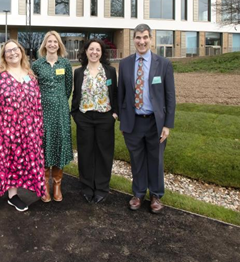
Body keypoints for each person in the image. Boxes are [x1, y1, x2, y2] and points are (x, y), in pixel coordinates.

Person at [0, 40, 46, 220]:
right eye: (8, 51)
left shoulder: (30, 76)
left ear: (21, 52)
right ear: (3, 56)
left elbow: (37, 105)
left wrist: (38, 129)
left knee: (17, 161)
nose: (12, 53)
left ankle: (12, 195)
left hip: (25, 130)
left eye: (15, 49)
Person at [118, 24, 176, 214]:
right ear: (133, 39)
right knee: (136, 159)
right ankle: (138, 193)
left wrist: (167, 124)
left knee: (156, 159)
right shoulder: (125, 64)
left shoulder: (163, 64)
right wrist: (121, 118)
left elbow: (170, 96)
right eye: (138, 38)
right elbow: (121, 94)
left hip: (155, 123)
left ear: (151, 38)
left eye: (145, 37)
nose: (141, 41)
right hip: (133, 121)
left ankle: (156, 195)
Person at [71, 38, 118, 204]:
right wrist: (76, 115)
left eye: (98, 50)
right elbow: (76, 96)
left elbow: (115, 94)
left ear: (102, 53)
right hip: (84, 118)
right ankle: (87, 187)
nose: (94, 52)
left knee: (104, 154)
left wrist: (114, 114)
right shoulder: (78, 72)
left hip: (105, 117)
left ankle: (102, 188)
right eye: (91, 49)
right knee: (86, 153)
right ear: (86, 51)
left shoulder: (110, 71)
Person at [31, 30, 73, 202]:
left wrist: (60, 101)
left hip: (61, 111)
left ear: (59, 45)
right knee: (45, 145)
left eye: (55, 42)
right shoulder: (37, 65)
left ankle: (57, 184)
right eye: (49, 41)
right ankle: (44, 186)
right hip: (42, 111)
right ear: (45, 45)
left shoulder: (65, 64)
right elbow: (33, 87)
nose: (52, 44)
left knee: (59, 143)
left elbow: (68, 87)